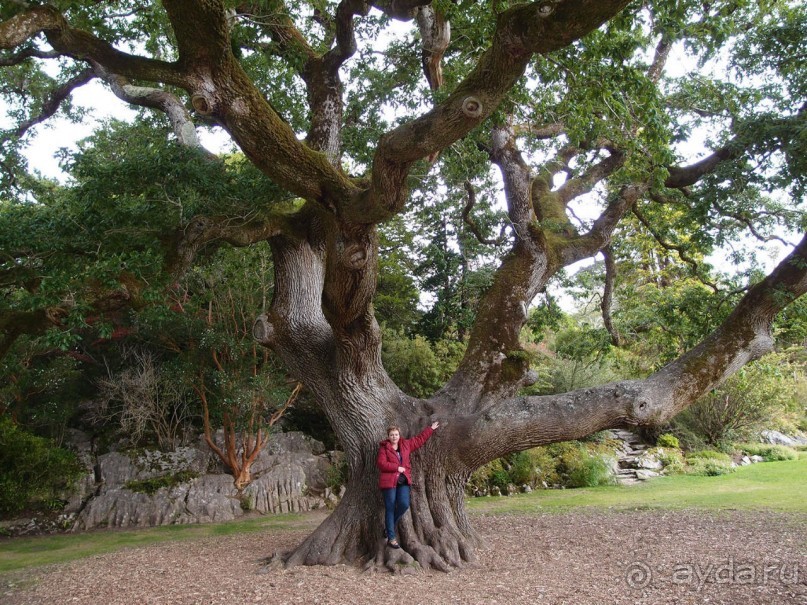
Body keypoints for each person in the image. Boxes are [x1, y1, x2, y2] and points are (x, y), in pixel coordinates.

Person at [376, 421, 440, 549]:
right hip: (389, 482)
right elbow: (381, 464)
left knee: (404, 504)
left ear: (399, 435)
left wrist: (431, 429)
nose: (394, 437)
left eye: (396, 434)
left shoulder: (406, 445)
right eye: (392, 435)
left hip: (403, 481)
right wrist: (396, 468)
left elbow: (419, 440)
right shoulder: (384, 448)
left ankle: (389, 527)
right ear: (388, 436)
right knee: (390, 507)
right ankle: (391, 538)